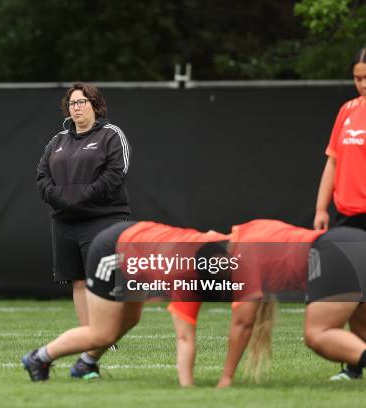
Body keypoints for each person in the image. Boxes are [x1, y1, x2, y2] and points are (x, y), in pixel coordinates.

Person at [21, 220, 229, 381]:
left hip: (138, 249)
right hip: (113, 251)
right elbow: (185, 337)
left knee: (129, 319)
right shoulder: (184, 275)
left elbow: (217, 237)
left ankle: (86, 364)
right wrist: (188, 387)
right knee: (101, 333)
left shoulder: (217, 245)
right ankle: (38, 358)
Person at [168, 219, 366, 387]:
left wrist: (226, 378)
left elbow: (243, 323)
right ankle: (354, 373)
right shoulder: (248, 230)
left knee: (318, 334)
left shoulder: (242, 254)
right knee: (361, 330)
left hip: (332, 251)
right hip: (352, 239)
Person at [36, 82, 131, 326]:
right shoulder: (57, 141)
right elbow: (42, 176)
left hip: (102, 218)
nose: (75, 108)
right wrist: (62, 199)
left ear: (95, 105)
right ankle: (89, 332)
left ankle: (107, 332)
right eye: (71, 103)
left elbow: (115, 174)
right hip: (65, 221)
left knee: (102, 278)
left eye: (81, 102)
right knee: (78, 280)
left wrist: (80, 197)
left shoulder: (111, 134)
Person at [314, 47, 366, 230]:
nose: (363, 85)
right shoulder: (347, 110)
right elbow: (333, 162)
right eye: (358, 79)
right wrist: (321, 209)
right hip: (347, 217)